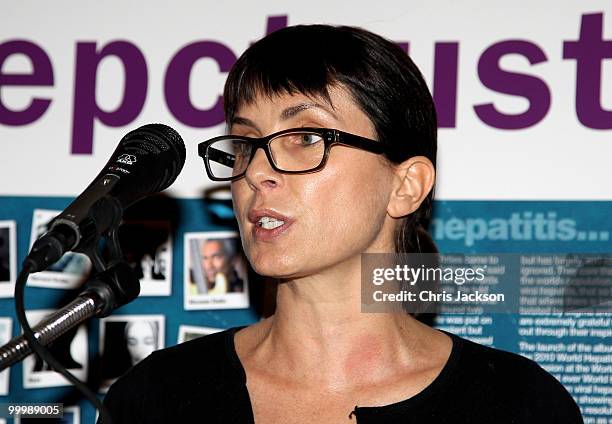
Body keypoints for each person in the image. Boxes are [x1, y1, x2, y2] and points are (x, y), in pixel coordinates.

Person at [101, 24, 583, 423]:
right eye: (246, 143)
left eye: (307, 136)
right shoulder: (156, 398)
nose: (257, 172)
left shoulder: (519, 405)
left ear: (405, 186)